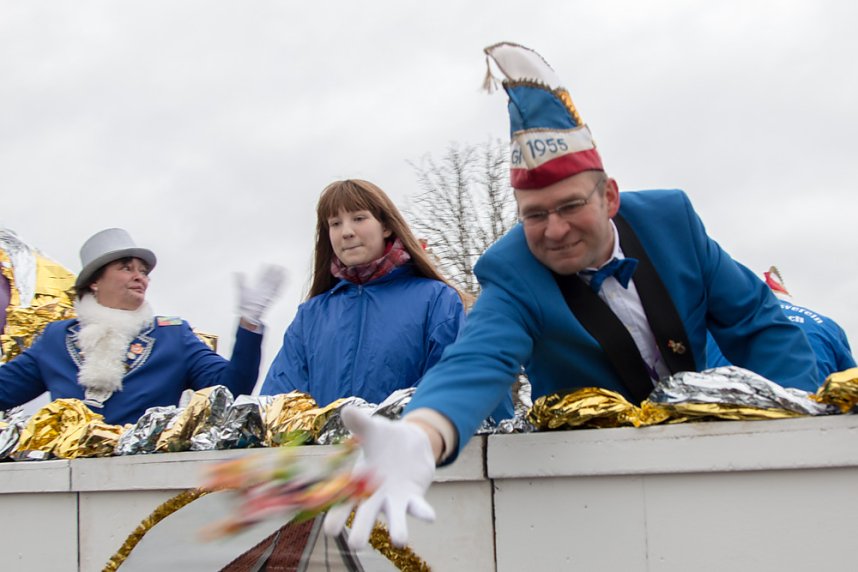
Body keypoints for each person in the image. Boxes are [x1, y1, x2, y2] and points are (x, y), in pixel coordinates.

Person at [323, 42, 818, 549]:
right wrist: (421, 436)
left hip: (711, 462)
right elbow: (476, 361)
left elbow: (757, 323)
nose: (554, 230)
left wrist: (806, 436)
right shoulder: (511, 271)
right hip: (590, 493)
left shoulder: (673, 221)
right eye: (534, 215)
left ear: (609, 196)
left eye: (570, 206)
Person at [260, 180, 513, 418]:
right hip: (328, 452)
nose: (346, 232)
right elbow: (280, 399)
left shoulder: (436, 300)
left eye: (359, 218)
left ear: (386, 227)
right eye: (335, 223)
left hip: (410, 447)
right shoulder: (310, 316)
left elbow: (456, 382)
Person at [0, 227, 284, 425]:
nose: (140, 277)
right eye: (126, 268)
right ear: (94, 281)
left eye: (143, 271)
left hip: (141, 482)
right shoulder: (56, 339)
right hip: (68, 482)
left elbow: (232, 387)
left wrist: (249, 324)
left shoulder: (173, 335)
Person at [707, 266, 856, 384]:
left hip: (730, 406)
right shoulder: (826, 325)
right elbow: (850, 381)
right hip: (811, 405)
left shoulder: (718, 326)